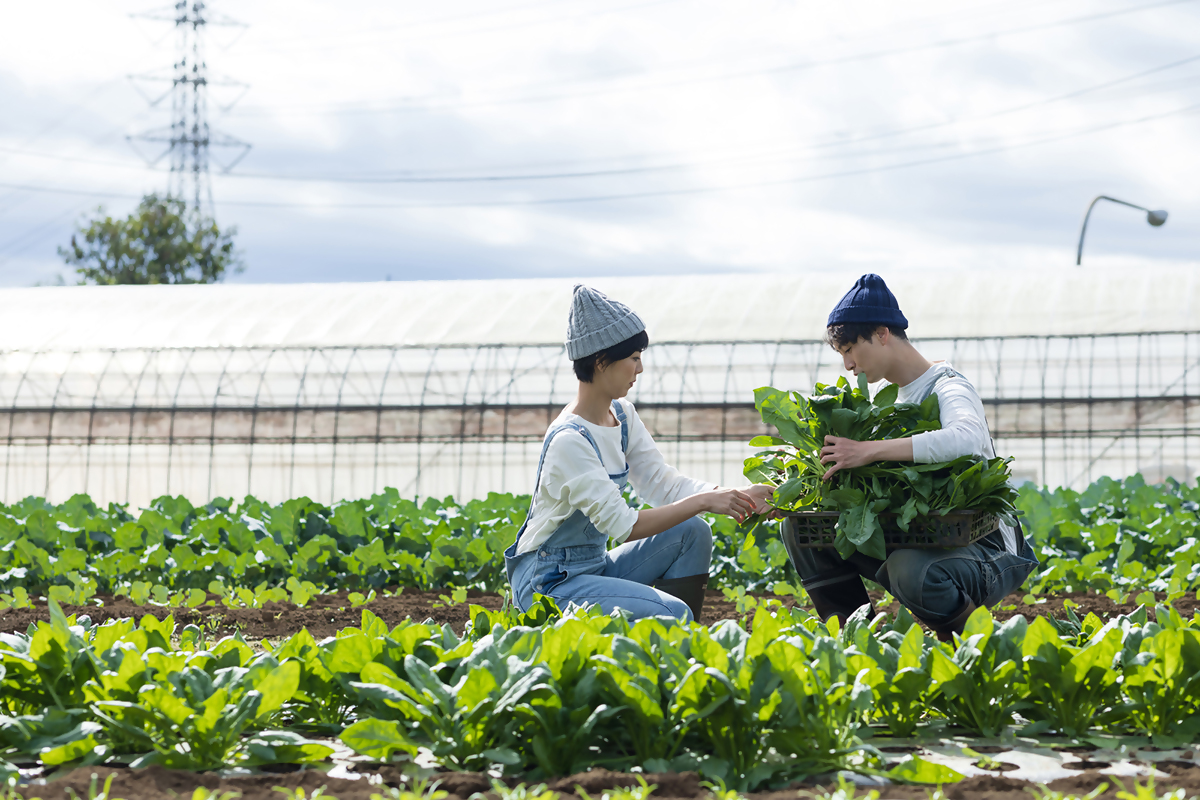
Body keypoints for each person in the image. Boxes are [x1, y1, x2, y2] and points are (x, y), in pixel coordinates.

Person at [505, 284, 773, 622]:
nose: (640, 369)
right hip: (550, 585)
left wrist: (737, 496)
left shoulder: (623, 417)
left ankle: (675, 636)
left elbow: (663, 485)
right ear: (602, 361)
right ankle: (675, 630)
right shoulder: (569, 440)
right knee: (672, 611)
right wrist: (704, 502)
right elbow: (624, 526)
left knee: (693, 531)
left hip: (594, 569)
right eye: (633, 359)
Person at [792, 274, 1038, 640]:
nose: (848, 365)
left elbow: (967, 438)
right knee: (801, 529)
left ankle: (979, 646)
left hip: (987, 549)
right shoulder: (887, 405)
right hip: (925, 538)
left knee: (910, 569)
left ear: (881, 333)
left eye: (849, 350)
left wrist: (867, 451)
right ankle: (858, 640)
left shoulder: (948, 385)